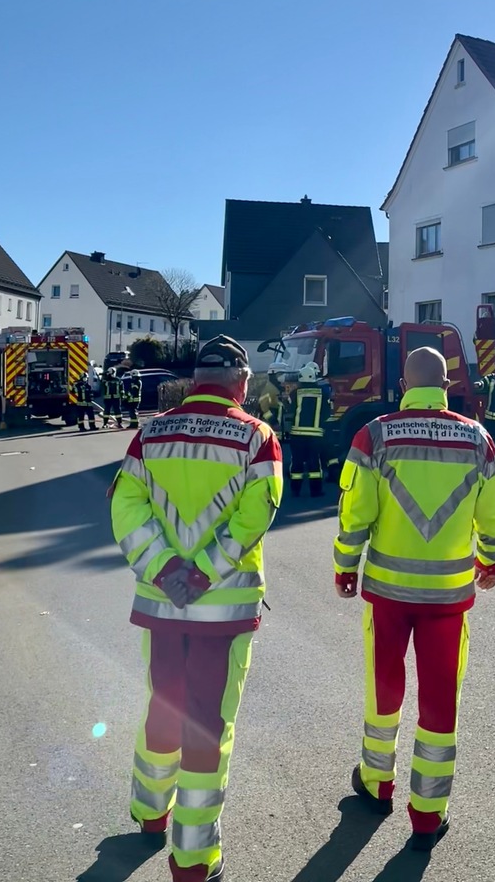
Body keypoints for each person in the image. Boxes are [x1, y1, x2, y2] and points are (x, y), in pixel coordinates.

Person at [110, 334, 282, 882]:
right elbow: (256, 515)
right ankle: (193, 857)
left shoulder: (150, 433)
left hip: (164, 604)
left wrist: (166, 570)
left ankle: (149, 810)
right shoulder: (258, 438)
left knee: (165, 703)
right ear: (242, 382)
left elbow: (125, 508)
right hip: (223, 610)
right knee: (208, 724)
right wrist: (204, 571)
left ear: (196, 378)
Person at [333, 346, 495, 851]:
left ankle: (376, 783)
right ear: (448, 383)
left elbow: (355, 514)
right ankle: (428, 814)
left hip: (388, 593)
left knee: (384, 690)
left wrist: (346, 566)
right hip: (448, 598)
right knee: (439, 701)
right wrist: (489, 560)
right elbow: (493, 513)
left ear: (405, 385)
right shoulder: (479, 439)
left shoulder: (376, 435)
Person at [287, 362, 331, 498]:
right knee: (314, 463)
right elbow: (327, 413)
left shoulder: (295, 393)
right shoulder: (322, 394)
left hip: (297, 434)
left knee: (297, 462)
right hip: (315, 434)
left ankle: (295, 490)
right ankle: (316, 491)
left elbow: (290, 411)